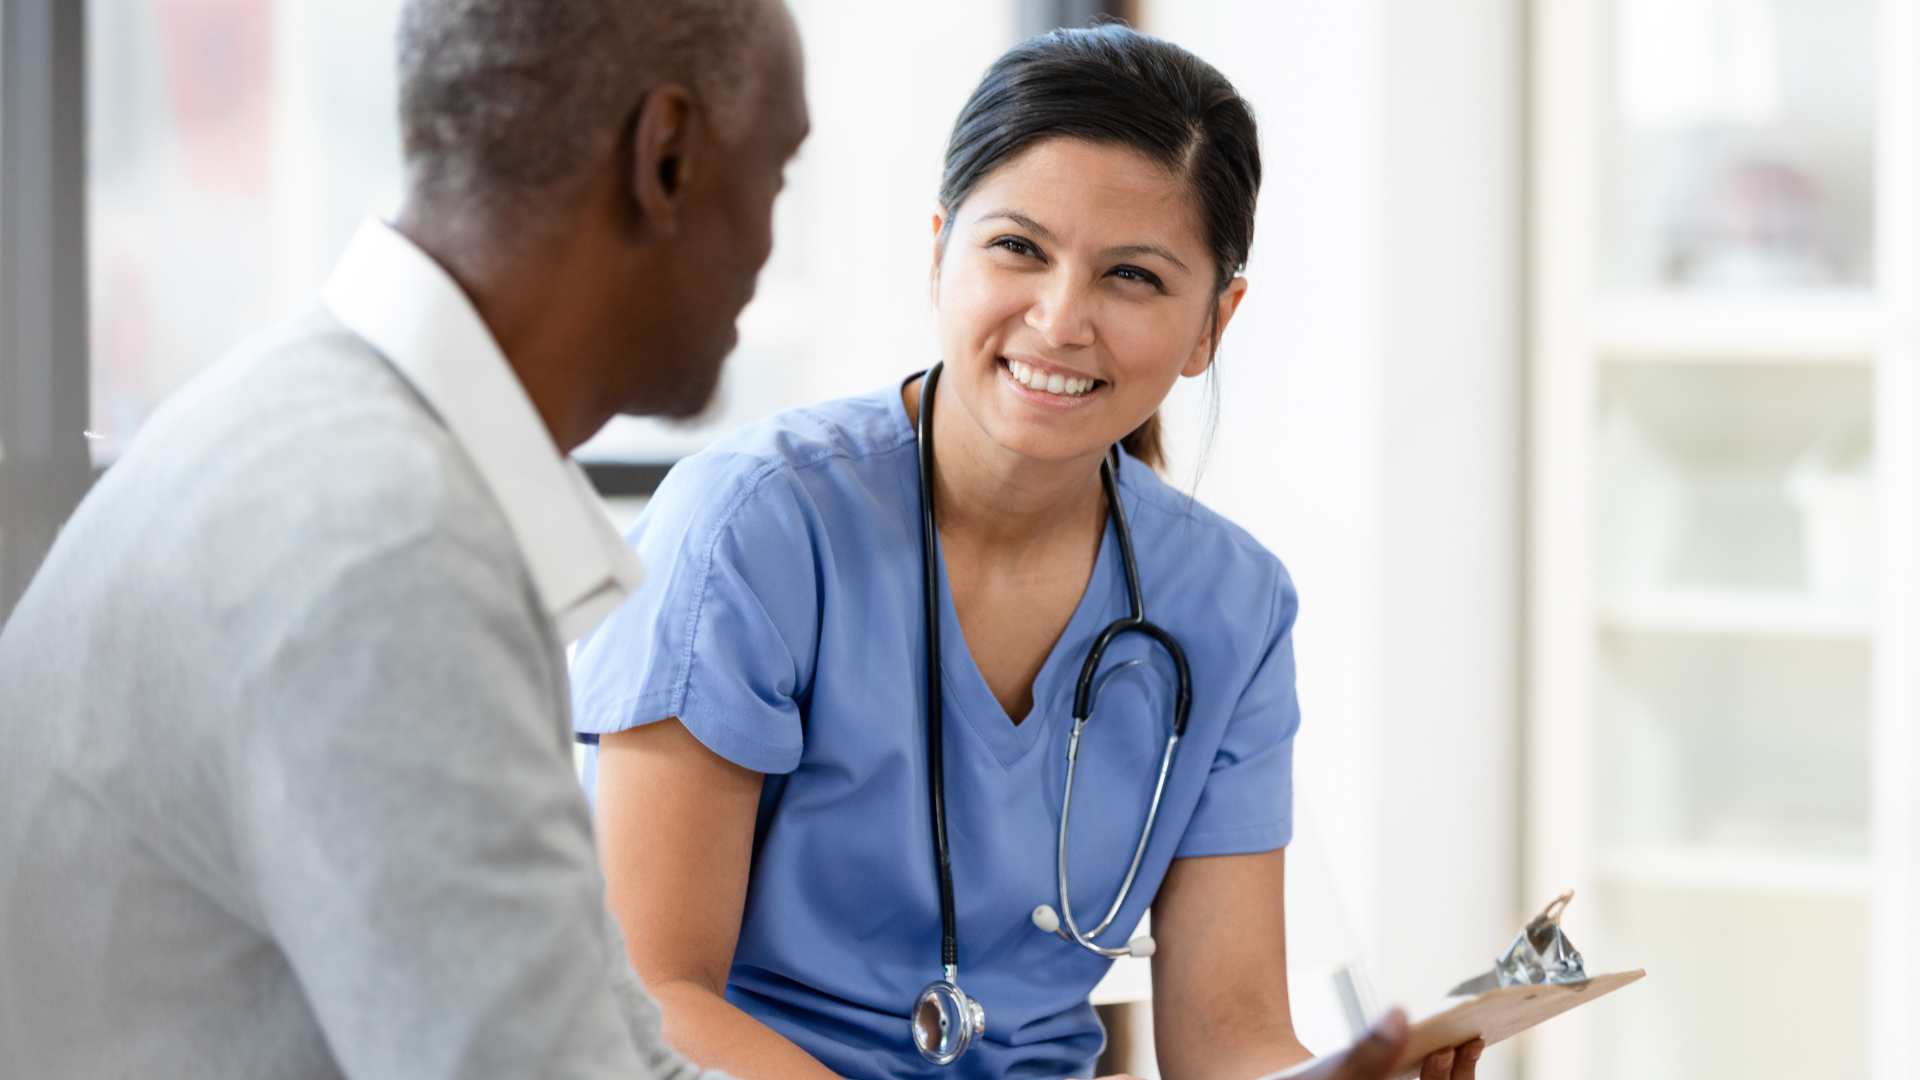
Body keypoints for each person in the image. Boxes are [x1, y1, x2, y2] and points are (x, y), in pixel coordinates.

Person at [571, 24, 1483, 1080]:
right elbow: (650, 991)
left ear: (1211, 327)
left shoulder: (1231, 604)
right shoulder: (755, 527)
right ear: (939, 253)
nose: (1059, 320)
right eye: (1018, 248)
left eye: (1133, 276)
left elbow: (1226, 1036)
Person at [0, 1, 807, 1076]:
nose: (769, 242)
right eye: (778, 175)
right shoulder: (381, 546)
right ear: (665, 158)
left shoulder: (341, 434)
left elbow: (608, 1041)